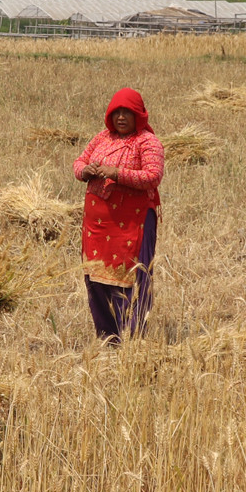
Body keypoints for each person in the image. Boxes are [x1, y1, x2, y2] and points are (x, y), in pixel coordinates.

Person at [73, 88, 163, 344]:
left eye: (127, 113)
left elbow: (153, 176)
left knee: (130, 278)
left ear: (139, 116)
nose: (121, 117)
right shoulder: (102, 138)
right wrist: (86, 171)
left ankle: (133, 339)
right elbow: (78, 163)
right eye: (116, 113)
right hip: (97, 227)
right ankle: (108, 338)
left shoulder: (147, 142)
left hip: (131, 225)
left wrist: (116, 172)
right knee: (97, 278)